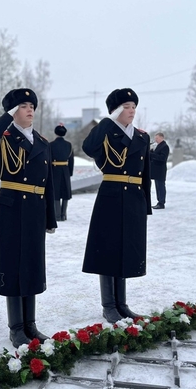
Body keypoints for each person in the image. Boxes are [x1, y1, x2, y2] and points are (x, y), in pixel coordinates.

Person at [0, 88, 57, 348]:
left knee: (32, 265)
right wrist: (4, 119)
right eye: (23, 105)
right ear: (13, 111)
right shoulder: (3, 139)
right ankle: (16, 328)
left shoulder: (42, 143)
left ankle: (30, 324)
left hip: (34, 208)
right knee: (12, 267)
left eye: (32, 105)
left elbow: (49, 183)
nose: (30, 109)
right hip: (11, 209)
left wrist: (50, 217)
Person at [82, 88, 152, 323]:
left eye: (133, 107)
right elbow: (88, 148)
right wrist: (107, 121)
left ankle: (122, 304)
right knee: (108, 249)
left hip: (134, 198)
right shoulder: (105, 133)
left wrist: (146, 204)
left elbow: (146, 174)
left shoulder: (142, 137)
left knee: (126, 251)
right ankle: (109, 305)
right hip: (111, 195)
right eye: (126, 107)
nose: (131, 111)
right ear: (115, 111)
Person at [50, 123, 74, 221]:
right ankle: (64, 215)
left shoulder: (50, 145)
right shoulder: (69, 145)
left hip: (54, 169)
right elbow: (71, 160)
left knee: (55, 193)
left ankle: (57, 215)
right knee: (65, 193)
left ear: (55, 133)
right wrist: (70, 173)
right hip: (65, 170)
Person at [150, 132, 170, 209]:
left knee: (161, 186)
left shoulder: (165, 147)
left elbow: (162, 158)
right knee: (157, 186)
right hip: (156, 170)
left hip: (160, 170)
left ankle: (161, 203)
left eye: (157, 138)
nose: (156, 139)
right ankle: (159, 201)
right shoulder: (158, 146)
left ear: (162, 138)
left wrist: (152, 155)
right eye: (155, 138)